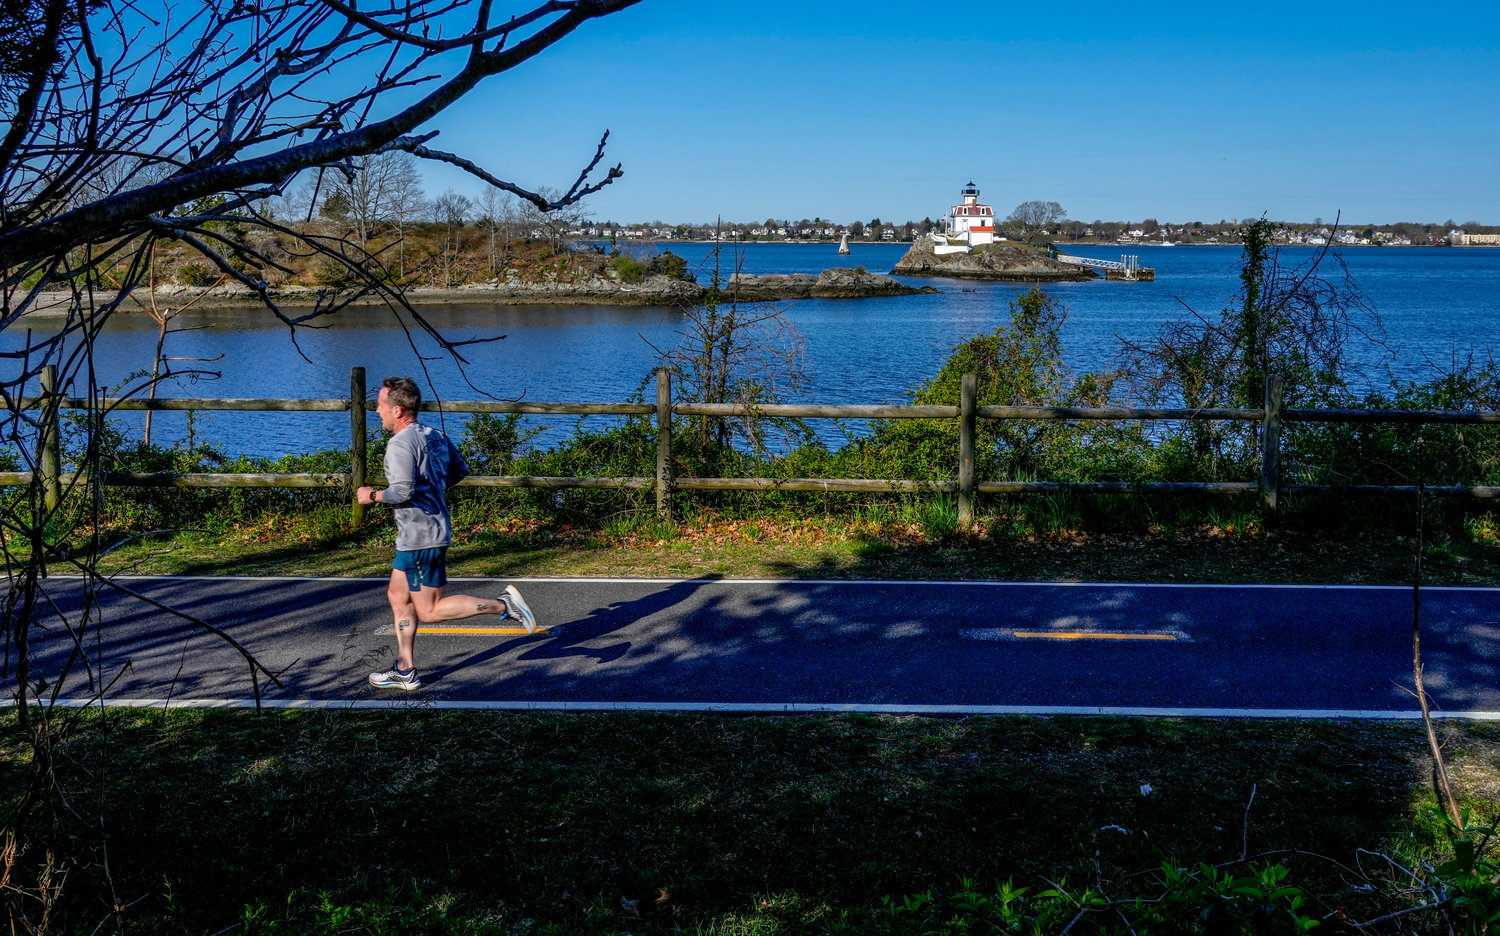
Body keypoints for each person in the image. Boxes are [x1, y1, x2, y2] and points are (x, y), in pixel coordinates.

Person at [356, 376, 536, 691]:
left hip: (420, 539)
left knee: (430, 609)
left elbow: (399, 492)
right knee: (398, 595)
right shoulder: (434, 436)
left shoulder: (400, 444)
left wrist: (371, 495)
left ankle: (504, 605)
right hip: (422, 534)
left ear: (398, 410)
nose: (377, 410)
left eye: (381, 405)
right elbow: (460, 469)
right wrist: (431, 490)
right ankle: (405, 668)